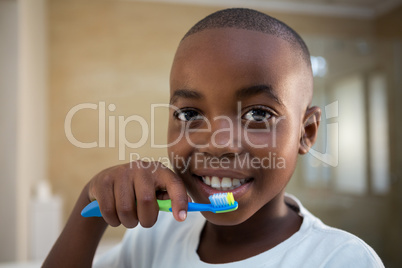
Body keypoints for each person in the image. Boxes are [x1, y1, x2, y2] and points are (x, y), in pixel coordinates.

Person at [43, 8, 384, 267]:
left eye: (258, 115)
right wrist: (88, 213)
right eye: (190, 114)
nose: (218, 144)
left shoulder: (340, 259)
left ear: (306, 132)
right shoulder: (159, 233)